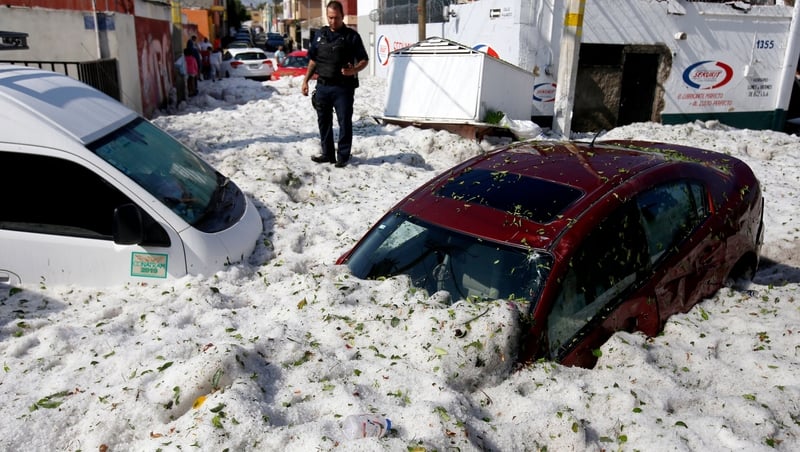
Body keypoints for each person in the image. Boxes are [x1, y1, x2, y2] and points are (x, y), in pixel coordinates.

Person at [302, 1, 368, 168]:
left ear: (342, 16)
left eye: (336, 18)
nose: (333, 21)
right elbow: (313, 61)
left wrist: (353, 71)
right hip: (323, 86)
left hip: (343, 88)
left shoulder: (352, 36)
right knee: (324, 121)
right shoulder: (319, 35)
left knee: (344, 122)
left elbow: (364, 60)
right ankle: (327, 153)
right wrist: (305, 81)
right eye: (330, 18)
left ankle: (343, 156)